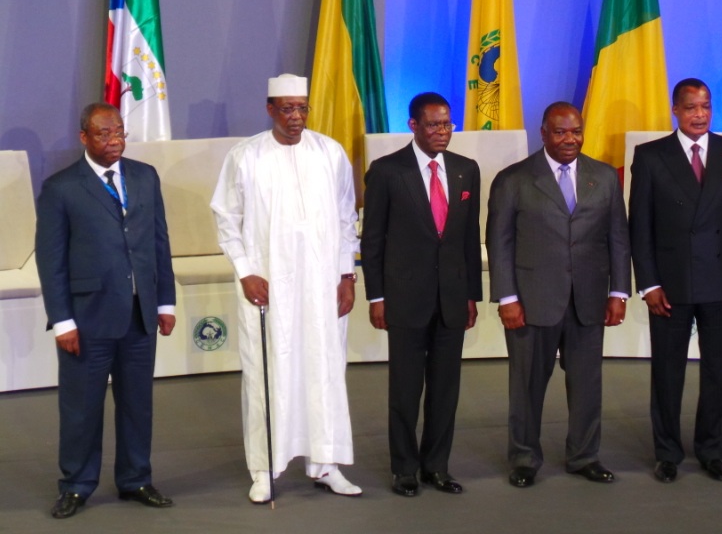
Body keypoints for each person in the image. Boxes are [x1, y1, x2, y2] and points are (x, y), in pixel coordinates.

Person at [210, 74, 362, 503]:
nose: (296, 116)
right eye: (287, 108)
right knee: (266, 373)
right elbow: (226, 218)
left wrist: (346, 275)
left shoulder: (329, 153)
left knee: (324, 370)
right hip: (268, 286)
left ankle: (326, 463)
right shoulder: (246, 156)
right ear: (270, 109)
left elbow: (346, 217)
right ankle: (264, 468)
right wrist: (245, 272)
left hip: (322, 286)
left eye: (302, 108)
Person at [36, 103, 176, 519]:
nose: (114, 140)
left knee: (137, 404)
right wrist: (63, 321)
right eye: (104, 134)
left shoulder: (145, 176)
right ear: (84, 137)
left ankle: (136, 479)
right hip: (87, 318)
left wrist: (164, 301)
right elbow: (51, 260)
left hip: (139, 315)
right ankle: (76, 485)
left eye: (119, 132)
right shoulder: (61, 187)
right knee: (81, 408)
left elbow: (159, 242)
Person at [486, 101, 631, 488]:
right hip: (531, 302)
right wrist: (507, 298)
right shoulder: (514, 179)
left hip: (588, 299)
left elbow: (618, 237)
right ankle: (524, 458)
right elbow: (499, 243)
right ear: (544, 134)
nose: (570, 139)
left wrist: (618, 291)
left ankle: (585, 456)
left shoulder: (604, 177)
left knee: (587, 385)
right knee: (527, 385)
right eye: (561, 132)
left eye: (576, 131)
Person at [629, 79, 722, 483]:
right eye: (691, 107)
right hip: (670, 286)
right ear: (675, 110)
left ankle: (712, 450)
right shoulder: (650, 156)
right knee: (668, 374)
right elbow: (640, 227)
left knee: (717, 373)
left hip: (721, 282)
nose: (700, 115)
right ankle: (667, 453)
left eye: (706, 106)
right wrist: (649, 284)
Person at [361, 92, 482, 497]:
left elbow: (468, 238)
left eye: (447, 124)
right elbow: (373, 240)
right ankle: (404, 469)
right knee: (405, 391)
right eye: (433, 125)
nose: (442, 132)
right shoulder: (387, 171)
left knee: (445, 390)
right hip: (404, 300)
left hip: (452, 300)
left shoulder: (466, 170)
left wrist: (471, 294)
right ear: (413, 125)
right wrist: (376, 297)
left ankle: (437, 467)